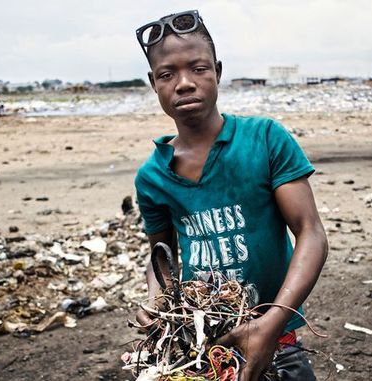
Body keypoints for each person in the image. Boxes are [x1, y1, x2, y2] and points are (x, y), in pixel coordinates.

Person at [132, 10, 328, 381]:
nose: (185, 83)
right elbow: (162, 256)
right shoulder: (152, 177)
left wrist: (272, 322)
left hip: (277, 336)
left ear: (218, 72)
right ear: (153, 83)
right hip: (201, 343)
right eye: (167, 74)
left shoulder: (265, 139)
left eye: (199, 68)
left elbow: (310, 232)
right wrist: (159, 305)